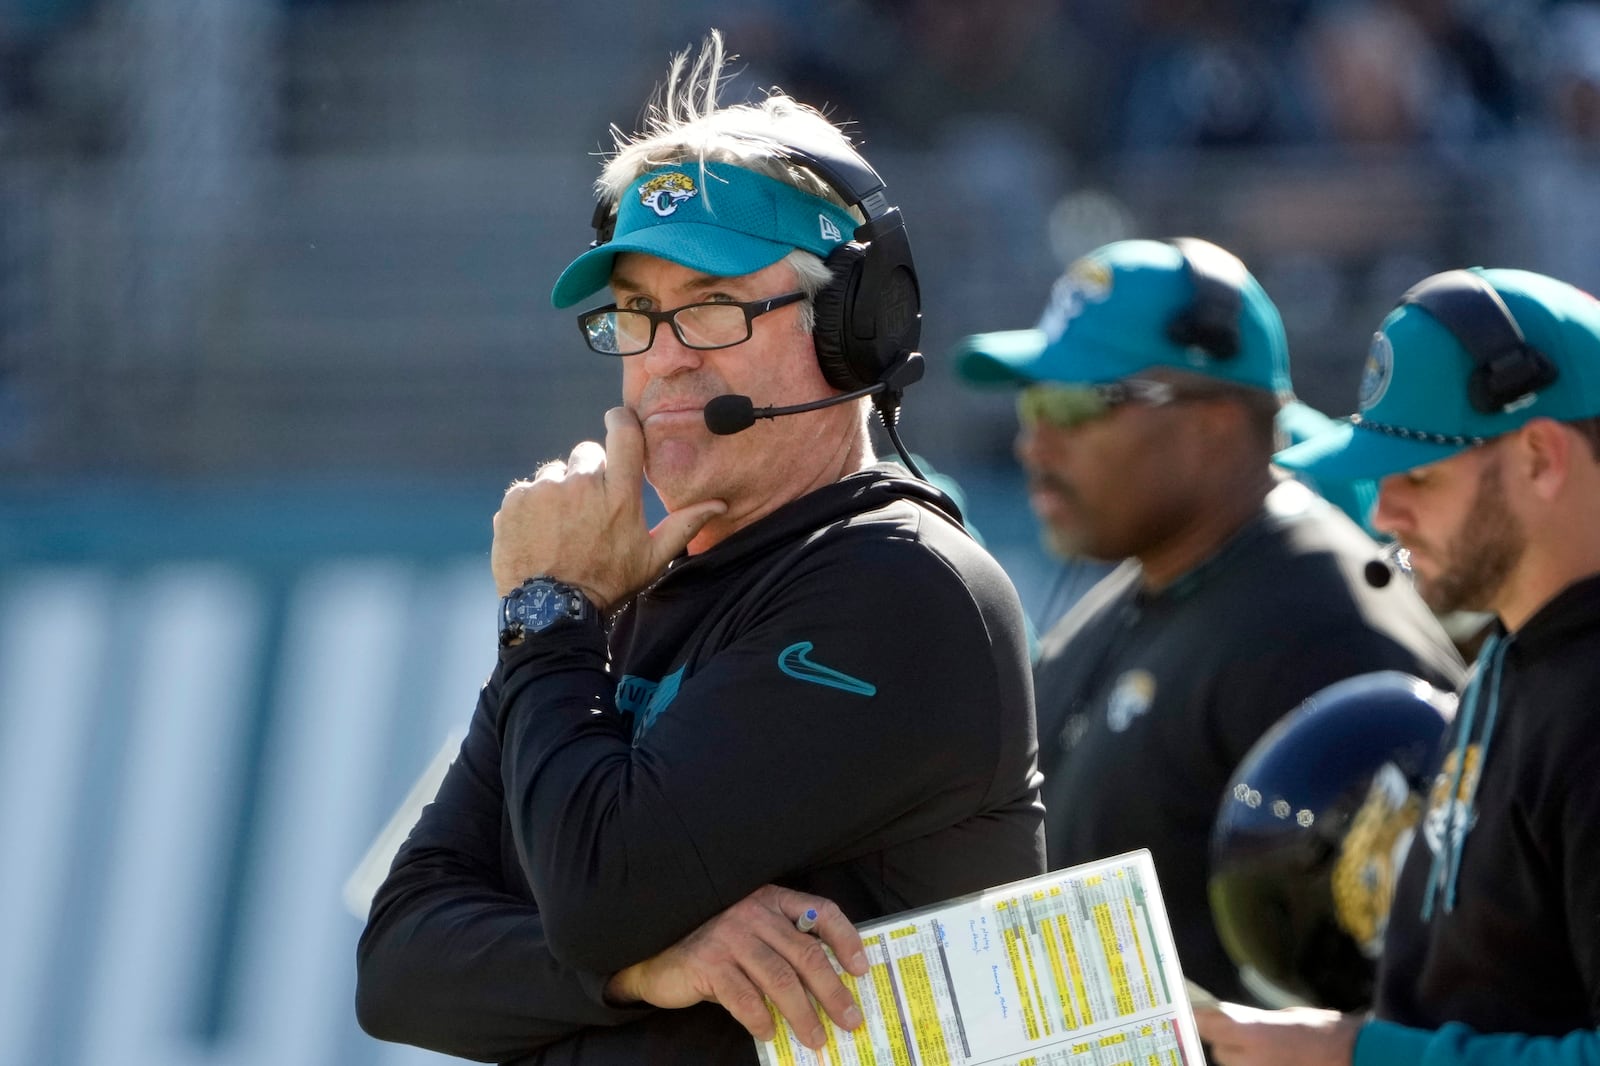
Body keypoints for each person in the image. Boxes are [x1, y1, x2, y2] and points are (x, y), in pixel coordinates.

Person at [354, 33, 1045, 1066]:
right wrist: (647, 968)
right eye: (636, 313)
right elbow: (400, 959)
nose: (664, 357)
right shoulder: (613, 584)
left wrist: (548, 611)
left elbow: (600, 895)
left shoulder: (899, 583)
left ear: (852, 327)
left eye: (712, 309)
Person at [952, 237, 1466, 1006]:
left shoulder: (1327, 628)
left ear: (1216, 420)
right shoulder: (1138, 584)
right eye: (1032, 402)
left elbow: (1409, 981)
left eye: (1076, 402)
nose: (1035, 440)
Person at [1196, 266, 1600, 1065]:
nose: (1383, 513)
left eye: (1419, 474)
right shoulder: (1515, 655)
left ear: (1540, 457)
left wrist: (1356, 1056)